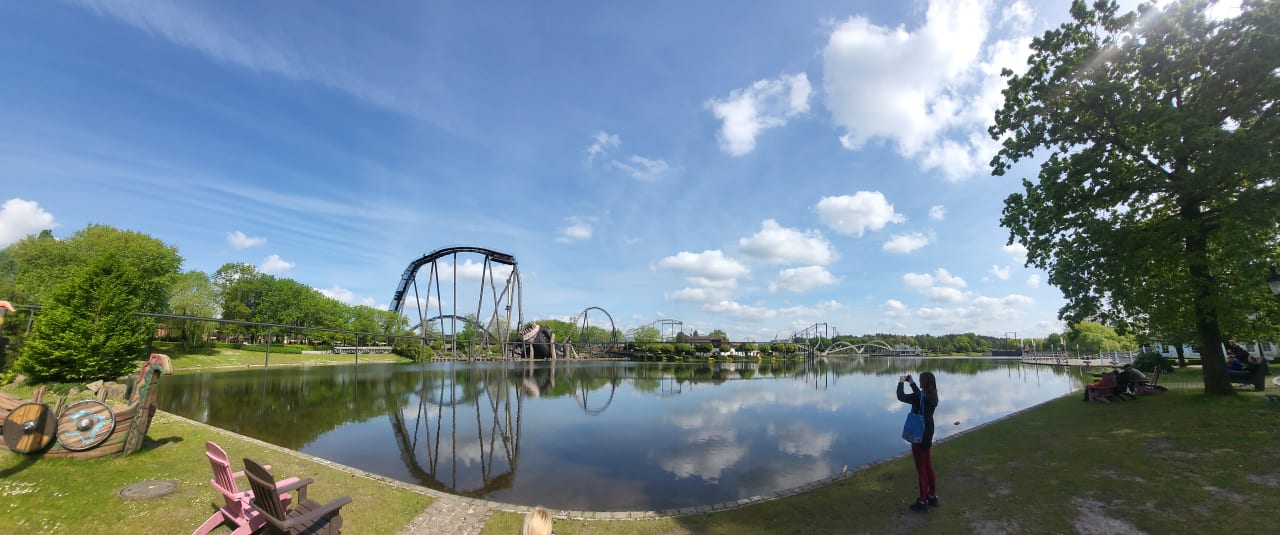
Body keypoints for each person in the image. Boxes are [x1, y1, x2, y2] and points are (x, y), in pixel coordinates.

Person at [897, 372, 939, 513]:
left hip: (919, 433)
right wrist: (912, 383)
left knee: (921, 468)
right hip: (928, 431)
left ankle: (922, 501)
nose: (919, 382)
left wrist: (901, 382)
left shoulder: (919, 397)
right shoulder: (933, 395)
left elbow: (901, 397)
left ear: (925, 382)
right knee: (928, 465)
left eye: (920, 380)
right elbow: (920, 397)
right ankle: (932, 496)